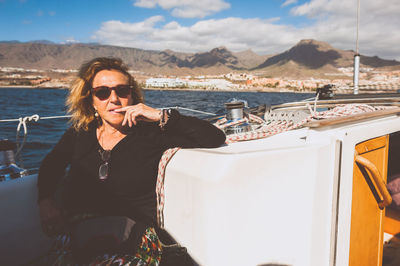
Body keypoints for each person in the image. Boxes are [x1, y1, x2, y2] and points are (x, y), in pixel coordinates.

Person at [37, 57, 226, 265]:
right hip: (80, 236)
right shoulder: (79, 134)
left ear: (132, 95)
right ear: (90, 100)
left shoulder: (151, 134)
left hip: (132, 241)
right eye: (102, 92)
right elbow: (51, 166)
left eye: (122, 91)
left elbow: (214, 137)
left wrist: (159, 116)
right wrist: (45, 201)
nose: (114, 98)